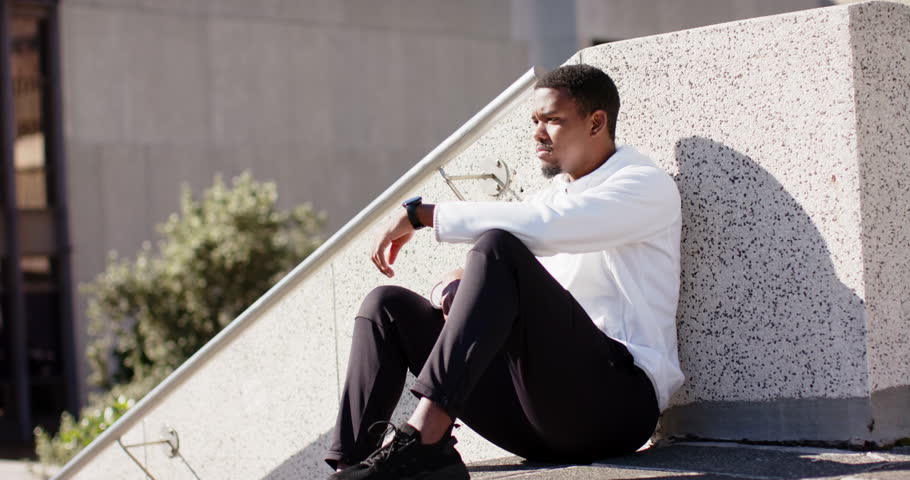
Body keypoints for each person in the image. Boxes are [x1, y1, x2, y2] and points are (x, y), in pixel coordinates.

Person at [324, 64, 684, 480]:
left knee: (498, 245)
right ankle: (348, 467)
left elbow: (545, 227)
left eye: (552, 120)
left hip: (615, 407)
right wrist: (454, 283)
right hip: (534, 418)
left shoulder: (642, 185)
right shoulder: (552, 196)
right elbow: (524, 250)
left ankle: (425, 441)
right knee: (386, 306)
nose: (537, 133)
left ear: (596, 121)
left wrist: (422, 215)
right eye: (534, 120)